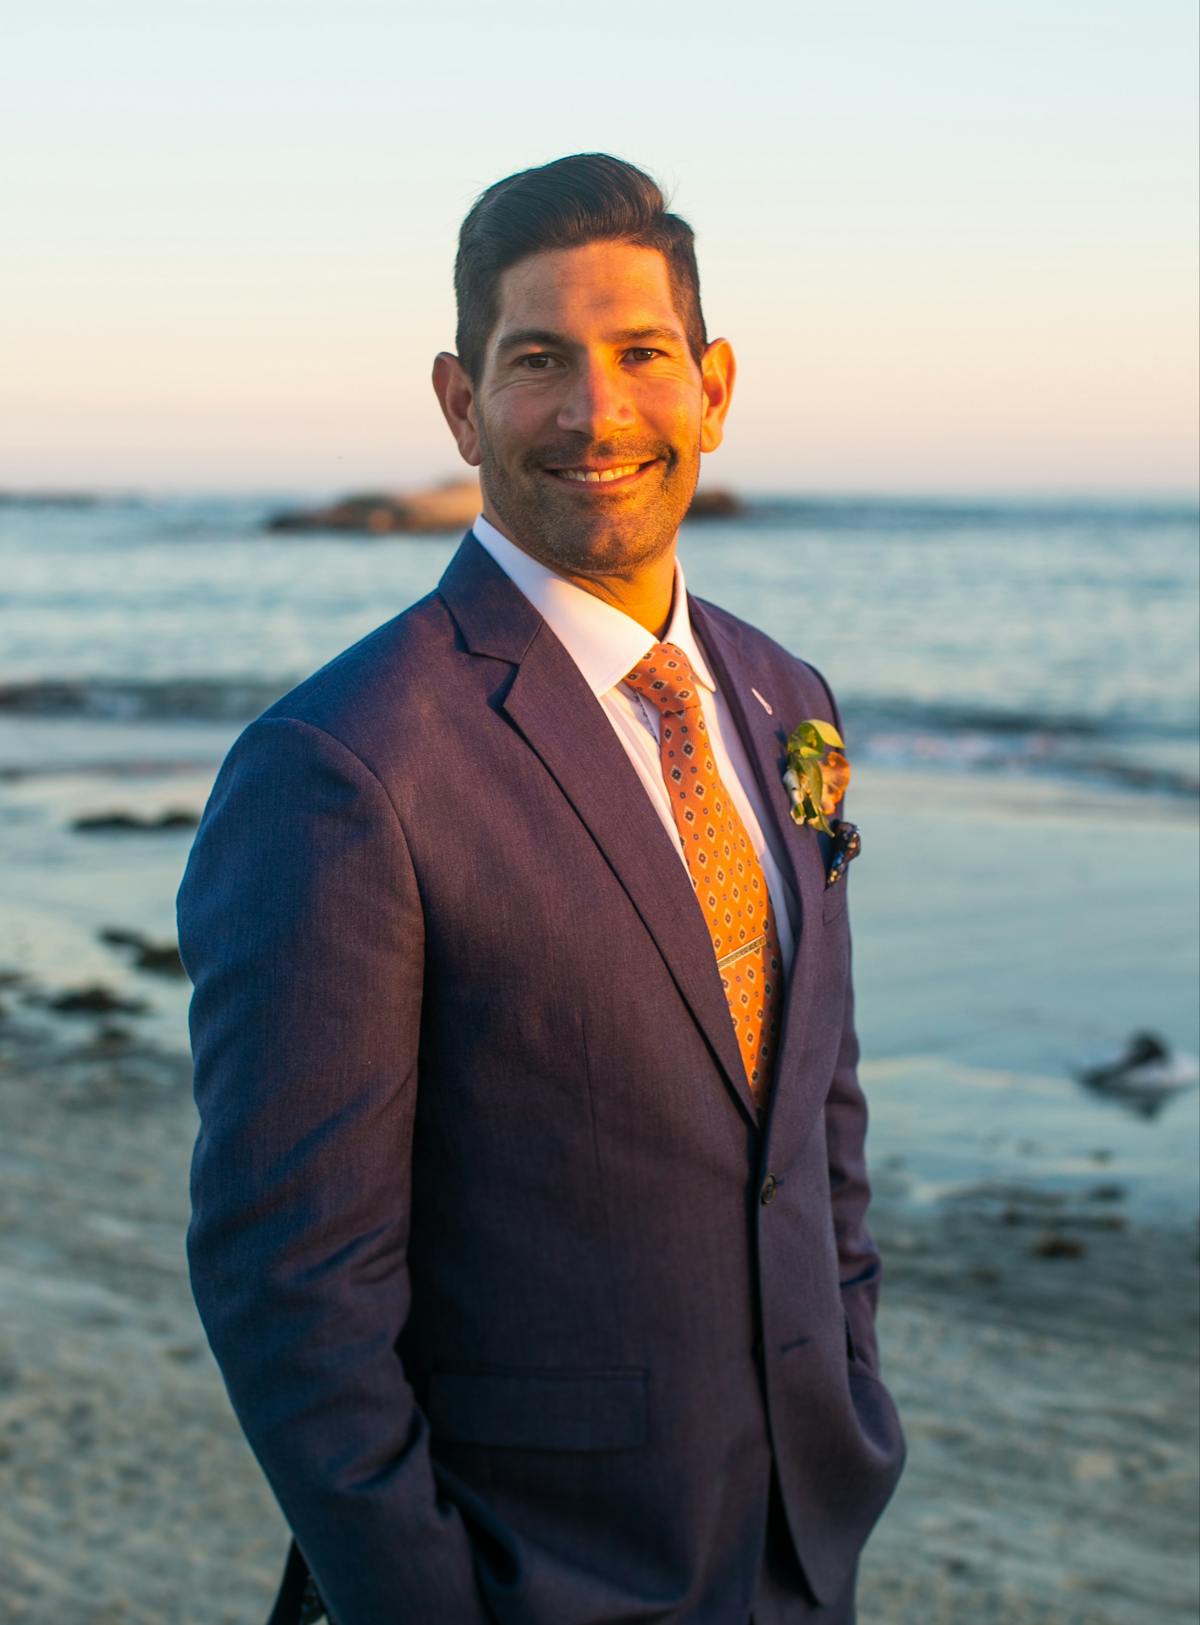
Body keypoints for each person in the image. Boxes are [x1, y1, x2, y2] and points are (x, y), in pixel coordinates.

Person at [179, 152, 905, 1625]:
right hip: (527, 1574)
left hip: (796, 1551)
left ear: (714, 385)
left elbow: (814, 1112)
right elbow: (290, 1283)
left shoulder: (784, 698)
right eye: (539, 361)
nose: (598, 412)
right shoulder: (344, 763)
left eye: (642, 355)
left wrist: (851, 1401)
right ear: (460, 401)